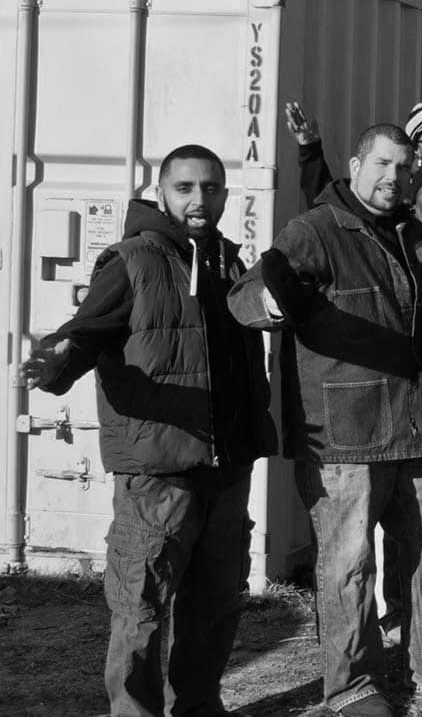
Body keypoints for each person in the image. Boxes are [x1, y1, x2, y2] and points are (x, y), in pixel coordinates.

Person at [228, 125, 422, 717]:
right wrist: (274, 304)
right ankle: (351, 685)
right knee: (350, 563)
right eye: (382, 164)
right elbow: (247, 294)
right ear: (355, 163)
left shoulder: (414, 233)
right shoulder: (318, 229)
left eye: (404, 168)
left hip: (420, 425)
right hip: (344, 433)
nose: (393, 178)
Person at [21, 145, 275, 717]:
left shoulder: (229, 263)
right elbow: (86, 332)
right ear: (161, 192)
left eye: (210, 188)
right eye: (185, 188)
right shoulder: (132, 259)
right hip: (157, 473)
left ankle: (200, 707)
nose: (198, 200)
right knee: (141, 609)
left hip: (227, 466)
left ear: (224, 195)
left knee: (214, 605)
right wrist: (54, 363)